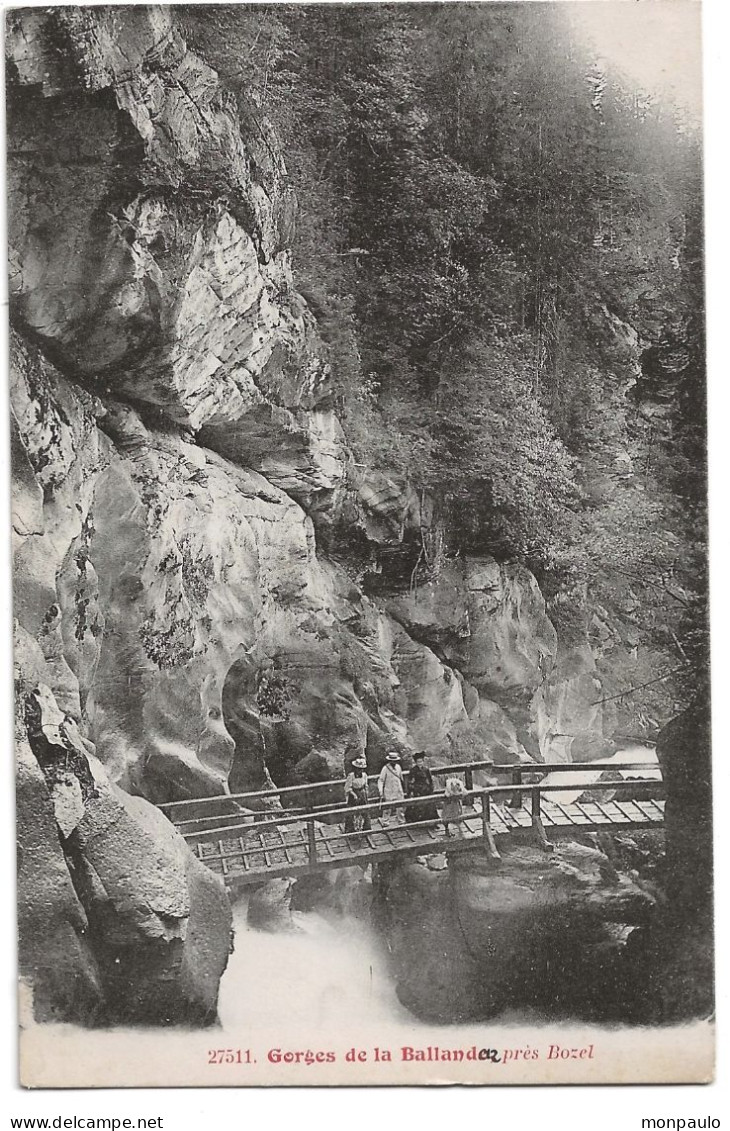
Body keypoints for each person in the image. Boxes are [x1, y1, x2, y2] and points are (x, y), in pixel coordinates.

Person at [405, 751, 439, 826]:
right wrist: (412, 789)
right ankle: (418, 823)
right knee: (417, 806)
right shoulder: (413, 770)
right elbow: (410, 781)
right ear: (416, 762)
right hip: (417, 790)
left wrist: (431, 788)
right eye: (418, 762)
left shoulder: (426, 770)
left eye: (421, 762)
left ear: (423, 762)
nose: (420, 763)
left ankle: (431, 822)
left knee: (429, 805)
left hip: (425, 789)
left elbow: (430, 780)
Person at [344, 757, 371, 834]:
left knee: (365, 811)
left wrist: (366, 793)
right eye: (358, 769)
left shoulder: (364, 775)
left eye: (361, 769)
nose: (360, 770)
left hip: (362, 793)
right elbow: (347, 788)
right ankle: (350, 829)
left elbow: (365, 785)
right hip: (353, 794)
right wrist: (354, 795)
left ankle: (366, 827)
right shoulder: (351, 776)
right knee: (351, 812)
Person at [377, 751, 405, 825]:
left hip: (398, 789)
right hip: (389, 790)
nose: (394, 762)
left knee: (400, 807)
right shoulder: (385, 768)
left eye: (395, 761)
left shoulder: (398, 767)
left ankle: (401, 820)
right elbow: (381, 780)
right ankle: (385, 821)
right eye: (392, 761)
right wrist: (380, 790)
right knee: (387, 808)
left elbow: (401, 778)